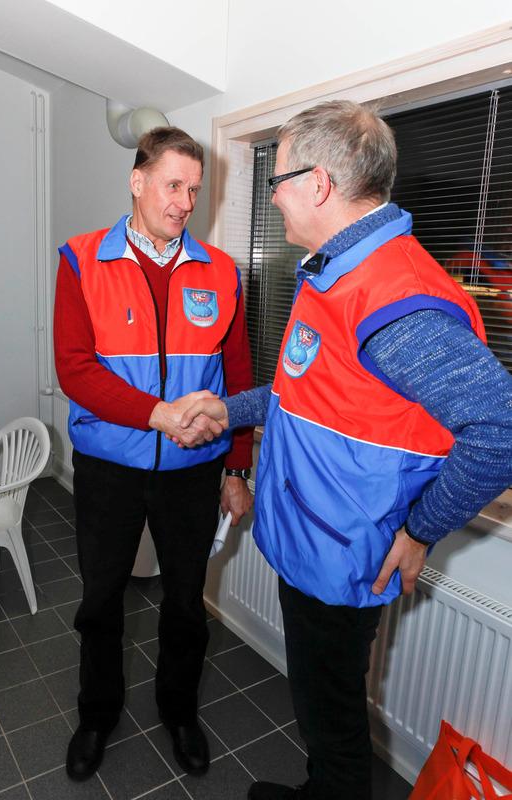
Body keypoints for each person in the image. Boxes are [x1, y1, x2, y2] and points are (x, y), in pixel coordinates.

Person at [174, 101, 512, 800]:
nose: (272, 196)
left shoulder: (396, 298)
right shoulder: (334, 272)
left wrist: (420, 530)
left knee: (332, 726)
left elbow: (499, 432)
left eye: (278, 179)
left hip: (341, 558)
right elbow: (306, 392)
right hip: (310, 542)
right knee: (318, 712)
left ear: (318, 184)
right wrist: (230, 409)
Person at [53, 126, 254, 782]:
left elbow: (238, 374)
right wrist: (159, 414)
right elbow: (76, 369)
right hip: (110, 466)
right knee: (101, 599)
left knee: (186, 603)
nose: (184, 202)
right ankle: (96, 714)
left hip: (193, 472)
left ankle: (179, 712)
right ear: (137, 181)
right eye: (173, 185)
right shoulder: (82, 259)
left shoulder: (221, 271)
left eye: (194, 189)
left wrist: (236, 466)